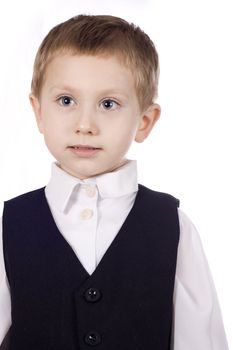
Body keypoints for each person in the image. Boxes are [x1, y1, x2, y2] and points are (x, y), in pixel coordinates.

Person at [0, 14, 229, 350]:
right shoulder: (10, 225)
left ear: (145, 121)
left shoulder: (173, 226)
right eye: (66, 101)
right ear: (38, 112)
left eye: (108, 104)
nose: (85, 124)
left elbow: (201, 342)